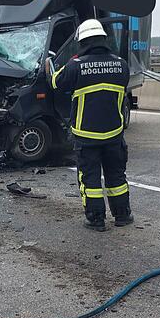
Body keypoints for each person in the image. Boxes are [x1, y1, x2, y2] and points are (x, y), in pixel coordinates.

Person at [46, 19, 132, 231]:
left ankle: (96, 220)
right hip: (114, 133)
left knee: (90, 179)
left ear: (82, 41)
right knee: (117, 177)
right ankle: (122, 215)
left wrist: (50, 65)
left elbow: (56, 82)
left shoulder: (76, 65)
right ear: (104, 39)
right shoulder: (121, 64)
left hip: (86, 134)